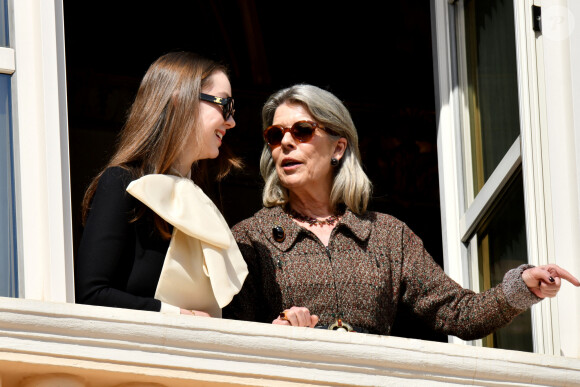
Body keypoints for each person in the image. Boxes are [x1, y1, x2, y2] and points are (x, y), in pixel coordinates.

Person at [223, 84, 579, 338]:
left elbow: (457, 313)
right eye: (275, 135)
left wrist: (523, 287)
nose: (285, 142)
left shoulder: (388, 235)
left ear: (338, 147)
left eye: (302, 130)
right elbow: (228, 335)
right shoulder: (249, 237)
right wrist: (275, 333)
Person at [75, 52, 248, 318]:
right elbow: (91, 294)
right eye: (225, 105)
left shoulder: (203, 201)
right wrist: (179, 316)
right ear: (181, 101)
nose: (231, 121)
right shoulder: (123, 184)